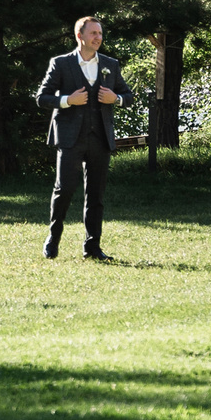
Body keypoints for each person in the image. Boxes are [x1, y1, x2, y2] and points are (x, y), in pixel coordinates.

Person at [34, 15, 128, 260]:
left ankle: (92, 247)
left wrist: (115, 99)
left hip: (100, 138)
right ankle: (53, 240)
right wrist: (67, 101)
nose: (98, 37)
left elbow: (127, 95)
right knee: (64, 190)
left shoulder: (110, 64)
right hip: (69, 138)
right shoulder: (61, 64)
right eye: (93, 33)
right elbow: (42, 98)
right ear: (80, 36)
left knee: (96, 195)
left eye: (100, 33)